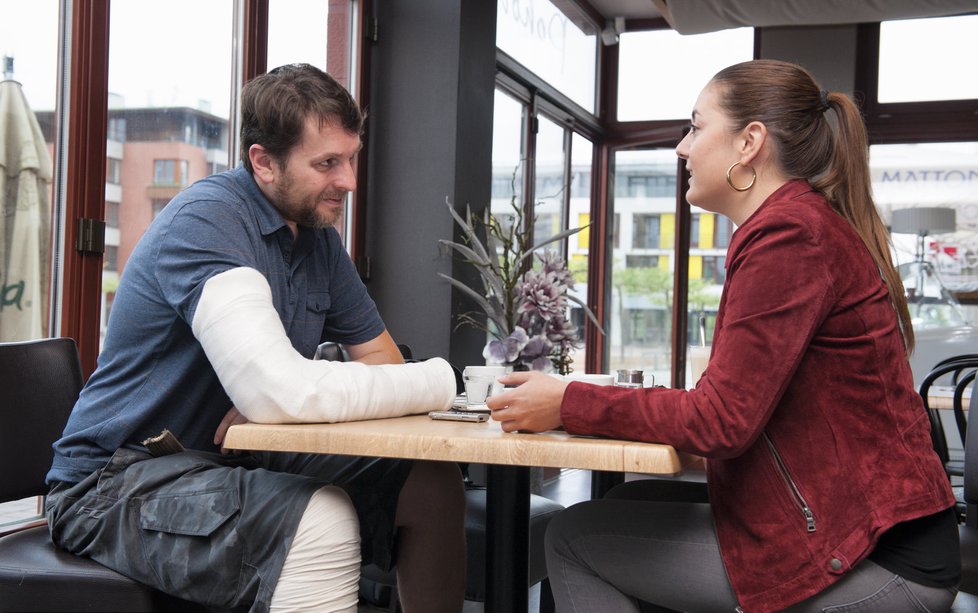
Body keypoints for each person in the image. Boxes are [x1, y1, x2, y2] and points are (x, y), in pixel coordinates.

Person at [486, 59, 960, 612]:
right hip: (863, 532)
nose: (683, 148)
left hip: (880, 559)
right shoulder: (796, 226)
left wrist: (568, 401)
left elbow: (720, 421)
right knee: (623, 503)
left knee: (573, 541)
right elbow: (733, 411)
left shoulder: (790, 236)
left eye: (696, 126)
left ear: (749, 143)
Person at [45, 63, 466, 613]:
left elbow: (380, 365)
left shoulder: (317, 237)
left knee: (430, 486)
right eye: (327, 164)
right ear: (263, 162)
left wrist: (287, 407)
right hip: (113, 482)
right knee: (320, 519)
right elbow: (279, 393)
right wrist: (287, 402)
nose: (349, 181)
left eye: (351, 159)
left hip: (226, 462)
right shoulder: (208, 220)